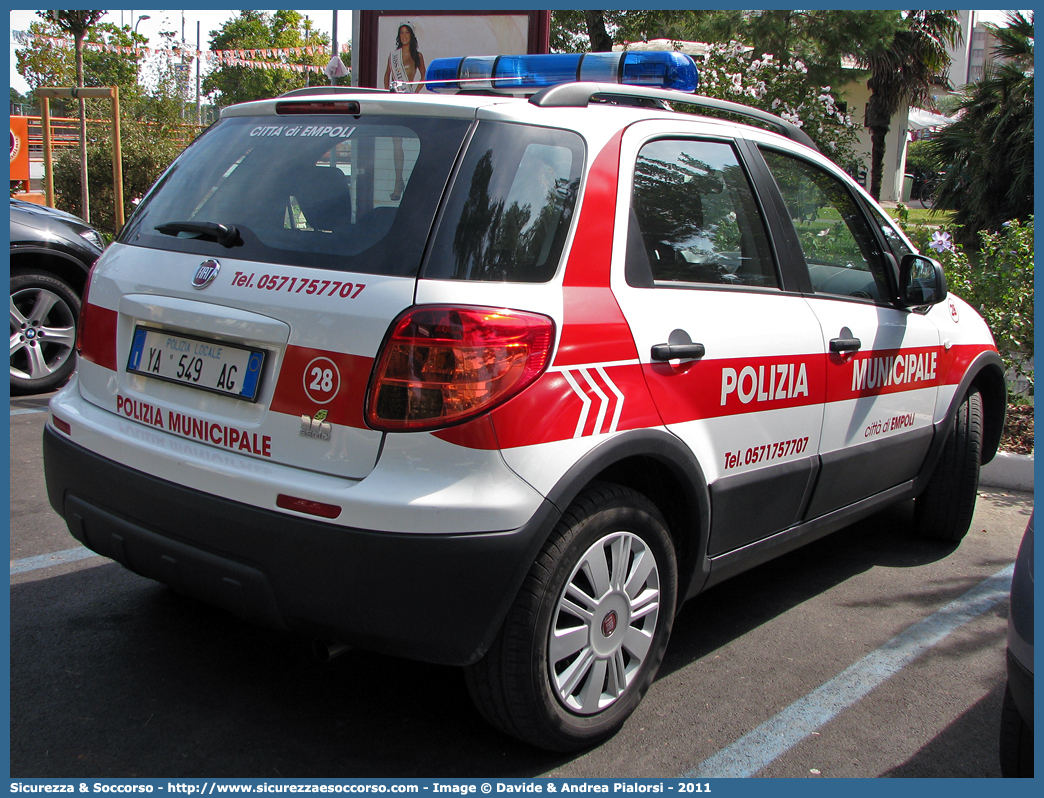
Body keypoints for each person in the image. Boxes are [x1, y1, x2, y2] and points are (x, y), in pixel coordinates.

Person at [383, 22, 426, 200]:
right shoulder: (393, 56)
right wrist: (388, 93)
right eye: (401, 33)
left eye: (407, 32)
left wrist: (415, 92)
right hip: (397, 102)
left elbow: (424, 76)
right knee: (396, 143)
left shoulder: (418, 56)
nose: (404, 36)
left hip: (410, 101)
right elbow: (387, 76)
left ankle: (414, 182)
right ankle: (397, 181)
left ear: (411, 35)